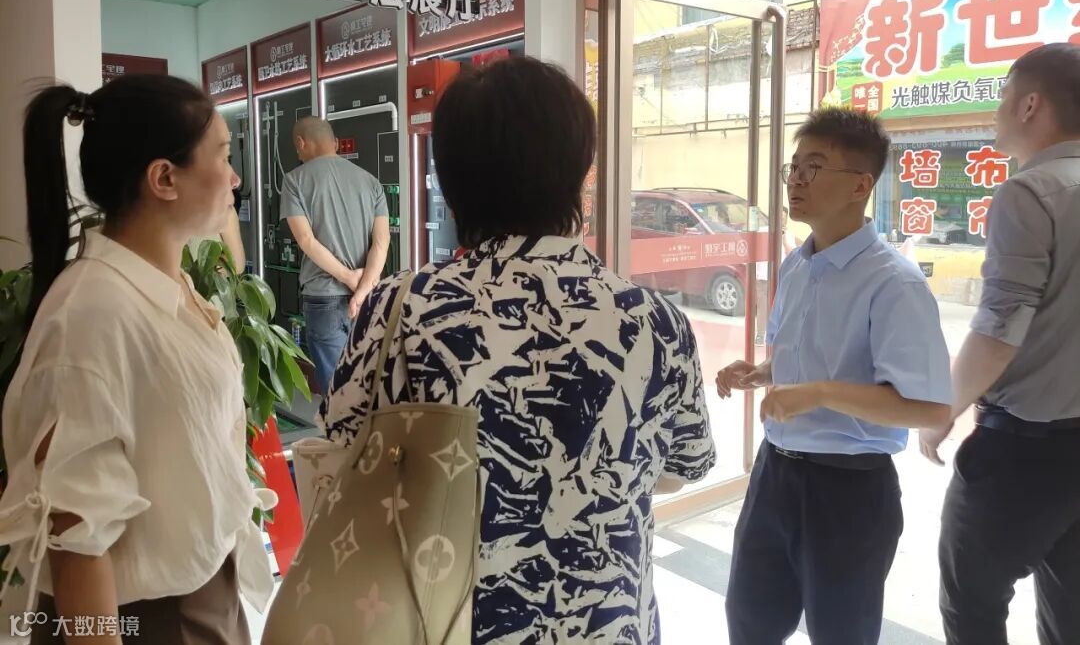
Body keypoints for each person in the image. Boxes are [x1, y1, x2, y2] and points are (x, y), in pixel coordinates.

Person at [321, 57, 716, 644]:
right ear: (581, 171)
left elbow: (344, 447)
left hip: (441, 622)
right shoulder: (655, 322)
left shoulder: (402, 309)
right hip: (607, 624)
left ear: (450, 180)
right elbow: (684, 468)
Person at [0, 75, 275, 644]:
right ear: (164, 178)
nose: (234, 178)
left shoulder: (166, 287)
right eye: (223, 156)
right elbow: (78, 540)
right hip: (148, 620)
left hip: (205, 595)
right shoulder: (93, 314)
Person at [716, 108, 952, 645]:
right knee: (749, 623)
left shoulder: (894, 283)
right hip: (774, 474)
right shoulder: (798, 265)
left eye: (814, 167)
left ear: (860, 186)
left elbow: (930, 408)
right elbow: (803, 359)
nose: (796, 180)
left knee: (841, 633)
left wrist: (818, 395)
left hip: (849, 491)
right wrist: (761, 373)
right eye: (794, 167)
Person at [920, 43, 1080, 645]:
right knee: (1071, 611)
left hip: (1024, 456)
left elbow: (997, 330)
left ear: (1031, 105)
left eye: (1004, 96)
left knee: (972, 606)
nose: (997, 110)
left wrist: (941, 411)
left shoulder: (1030, 193)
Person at [281, 116, 390, 394]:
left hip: (323, 299)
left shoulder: (294, 181)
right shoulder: (371, 182)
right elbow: (381, 243)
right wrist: (362, 290)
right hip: (366, 300)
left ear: (300, 143)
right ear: (337, 144)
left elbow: (306, 240)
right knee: (369, 385)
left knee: (338, 392)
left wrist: (348, 277)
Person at [754, 207, 795, 345]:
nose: (781, 221)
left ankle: (777, 334)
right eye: (779, 218)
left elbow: (791, 253)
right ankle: (760, 334)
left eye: (784, 218)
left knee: (780, 306)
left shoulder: (788, 235)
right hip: (763, 275)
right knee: (762, 306)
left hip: (781, 277)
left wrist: (784, 238)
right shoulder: (762, 232)